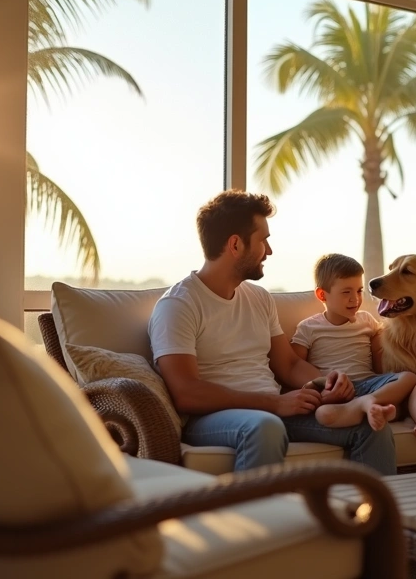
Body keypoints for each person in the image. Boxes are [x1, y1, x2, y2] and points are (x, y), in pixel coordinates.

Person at [147, 190, 396, 474]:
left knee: (370, 424)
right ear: (235, 245)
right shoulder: (178, 305)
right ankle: (261, 519)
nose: (269, 250)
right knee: (265, 425)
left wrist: (327, 381)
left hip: (275, 410)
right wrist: (274, 403)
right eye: (263, 240)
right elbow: (187, 393)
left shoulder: (259, 298)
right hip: (215, 418)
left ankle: (374, 517)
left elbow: (288, 365)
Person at [291, 253, 416, 431]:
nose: (355, 299)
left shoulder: (366, 320)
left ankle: (366, 405)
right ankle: (365, 409)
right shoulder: (308, 327)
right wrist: (323, 389)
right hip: (337, 391)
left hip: (370, 386)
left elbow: (381, 361)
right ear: (322, 295)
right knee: (324, 414)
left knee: (409, 377)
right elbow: (294, 368)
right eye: (346, 292)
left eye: (359, 291)